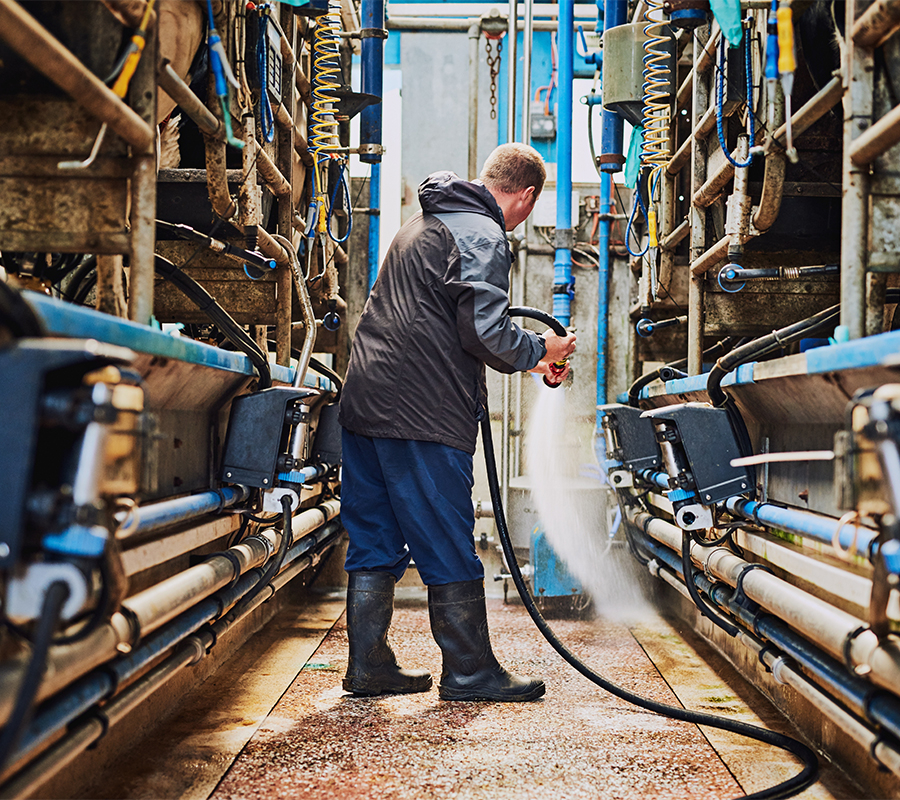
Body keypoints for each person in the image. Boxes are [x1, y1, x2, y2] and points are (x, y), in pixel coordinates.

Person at [338, 142, 577, 702]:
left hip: (366, 401)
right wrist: (543, 345)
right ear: (526, 195)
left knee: (373, 537)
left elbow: (456, 322)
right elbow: (485, 332)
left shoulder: (420, 223)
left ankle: (368, 666)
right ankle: (470, 671)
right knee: (447, 536)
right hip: (420, 410)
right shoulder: (483, 234)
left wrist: (533, 354)